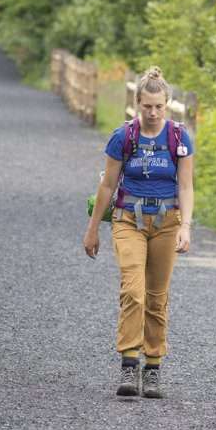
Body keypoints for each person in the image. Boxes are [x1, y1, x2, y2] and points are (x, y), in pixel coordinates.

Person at [82, 66, 194, 399]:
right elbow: (107, 185)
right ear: (137, 103)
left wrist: (185, 226)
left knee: (157, 298)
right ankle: (129, 362)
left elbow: (186, 186)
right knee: (133, 290)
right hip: (128, 218)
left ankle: (153, 366)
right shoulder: (123, 137)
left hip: (166, 222)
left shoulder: (178, 138)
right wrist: (92, 231)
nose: (154, 113)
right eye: (147, 106)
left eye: (159, 106)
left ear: (168, 104)